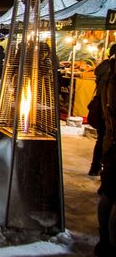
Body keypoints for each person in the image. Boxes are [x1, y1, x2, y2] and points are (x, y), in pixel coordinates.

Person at [95, 43, 116, 256]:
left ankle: (105, 242)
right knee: (110, 196)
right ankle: (106, 242)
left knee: (109, 195)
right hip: (113, 147)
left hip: (110, 145)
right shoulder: (112, 81)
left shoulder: (109, 76)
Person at [89, 44, 116, 176]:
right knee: (107, 140)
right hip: (107, 113)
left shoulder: (103, 67)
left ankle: (95, 167)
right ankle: (105, 174)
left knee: (101, 139)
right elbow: (109, 97)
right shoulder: (110, 74)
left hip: (102, 110)